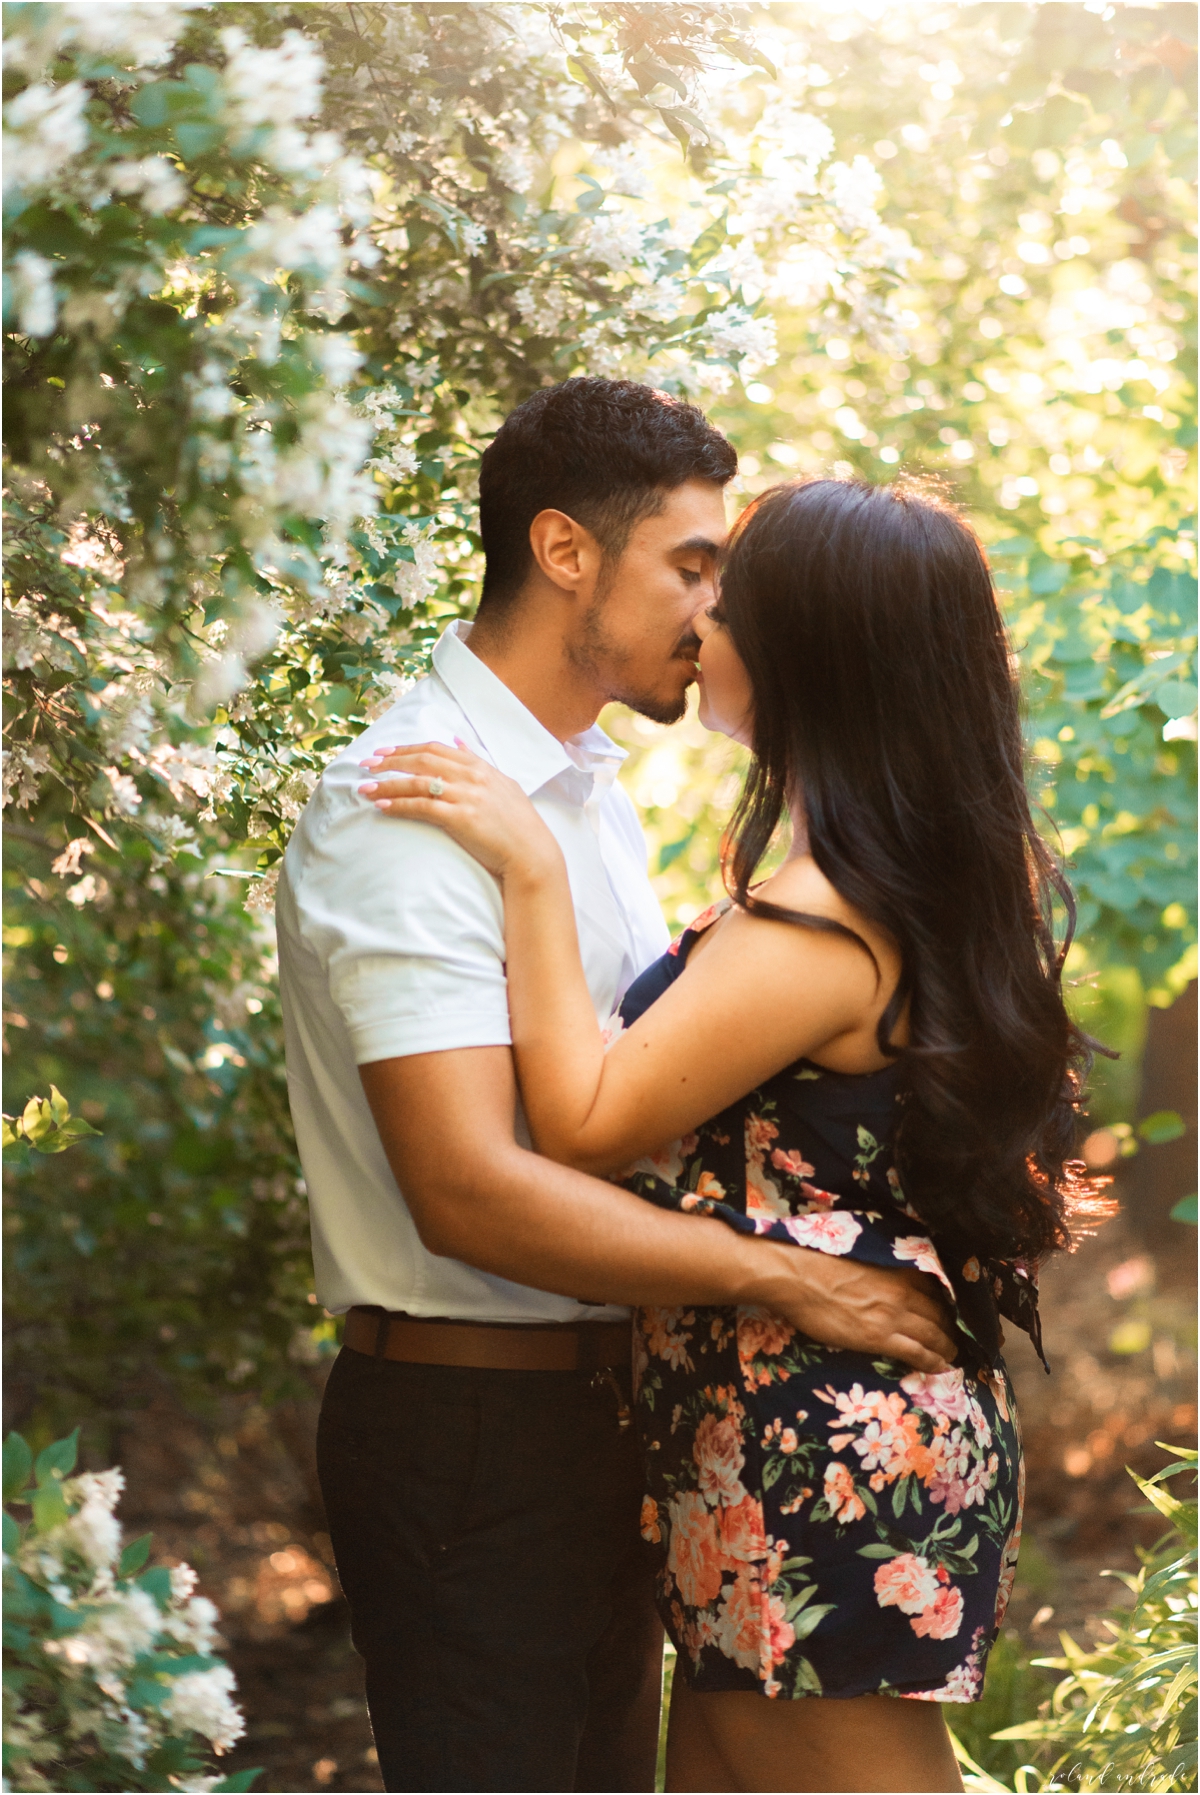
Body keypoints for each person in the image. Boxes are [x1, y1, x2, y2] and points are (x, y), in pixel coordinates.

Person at [360, 474, 1103, 1794]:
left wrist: (529, 867)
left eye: (730, 595)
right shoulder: (877, 889)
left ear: (811, 648)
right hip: (784, 1435)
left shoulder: (817, 923)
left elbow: (585, 1121)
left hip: (813, 1447)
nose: (701, 621)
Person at [277, 382, 955, 1795]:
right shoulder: (411, 804)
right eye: (692, 565)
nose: (715, 613)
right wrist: (788, 1282)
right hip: (473, 1431)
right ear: (567, 552)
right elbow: (468, 1190)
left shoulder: (578, 793)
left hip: (616, 1418)